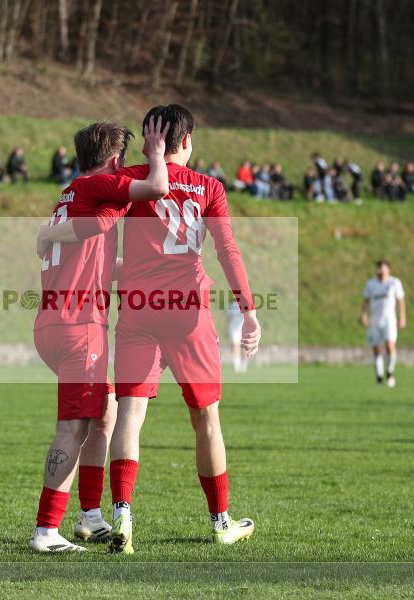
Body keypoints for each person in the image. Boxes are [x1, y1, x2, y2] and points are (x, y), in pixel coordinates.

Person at [43, 105, 260, 552]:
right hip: (189, 309)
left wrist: (51, 236)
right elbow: (228, 251)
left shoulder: (131, 179)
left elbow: (91, 218)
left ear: (149, 140)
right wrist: (249, 309)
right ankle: (221, 521)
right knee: (206, 420)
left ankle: (121, 513)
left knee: (129, 414)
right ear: (189, 139)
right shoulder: (210, 187)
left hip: (139, 308)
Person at [30, 117, 170, 553]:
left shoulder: (71, 194)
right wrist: (156, 155)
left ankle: (90, 517)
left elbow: (96, 263)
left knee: (104, 413)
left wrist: (150, 274)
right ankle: (46, 531)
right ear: (113, 161)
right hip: (78, 327)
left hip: (55, 323)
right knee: (72, 427)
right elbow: (159, 187)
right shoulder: (97, 188)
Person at [360, 260, 406, 388]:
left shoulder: (394, 282)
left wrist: (402, 318)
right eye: (378, 268)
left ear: (388, 270)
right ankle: (379, 376)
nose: (380, 270)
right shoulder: (371, 283)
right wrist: (363, 314)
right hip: (375, 319)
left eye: (383, 268)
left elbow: (400, 301)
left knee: (390, 346)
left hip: (389, 319)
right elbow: (366, 300)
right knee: (376, 348)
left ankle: (390, 372)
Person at [226, 300, 247, 373]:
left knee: (244, 347)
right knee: (235, 346)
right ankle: (236, 367)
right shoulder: (232, 305)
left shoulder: (245, 304)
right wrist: (226, 327)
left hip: (243, 327)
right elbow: (228, 318)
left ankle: (243, 366)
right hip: (234, 328)